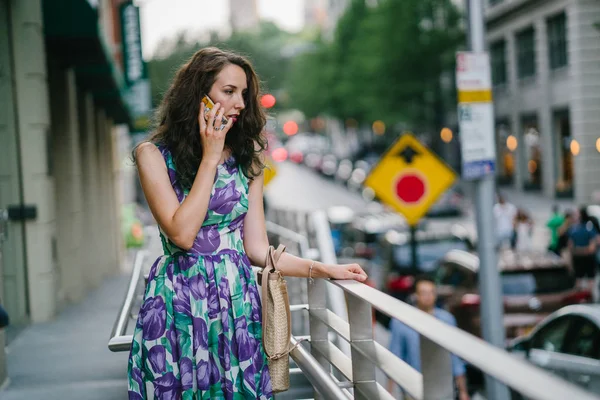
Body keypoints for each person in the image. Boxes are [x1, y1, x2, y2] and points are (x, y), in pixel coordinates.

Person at [127, 47, 368, 400]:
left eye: (243, 93)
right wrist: (210, 156)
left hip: (236, 305)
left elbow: (256, 248)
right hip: (179, 304)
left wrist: (327, 270)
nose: (240, 103)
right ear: (198, 94)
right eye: (228, 92)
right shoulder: (152, 155)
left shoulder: (248, 157)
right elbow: (181, 234)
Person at [388, 276, 469, 400]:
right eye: (424, 293)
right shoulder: (401, 321)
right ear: (415, 295)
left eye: (432, 292)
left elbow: (454, 358)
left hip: (443, 386)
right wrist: (388, 393)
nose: (428, 296)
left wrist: (463, 392)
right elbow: (395, 357)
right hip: (413, 388)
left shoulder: (446, 320)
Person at [568, 207, 598, 292]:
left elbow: (591, 248)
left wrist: (577, 251)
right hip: (583, 258)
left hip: (584, 259)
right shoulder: (574, 229)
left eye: (576, 214)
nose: (574, 216)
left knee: (587, 281)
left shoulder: (588, 228)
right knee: (581, 281)